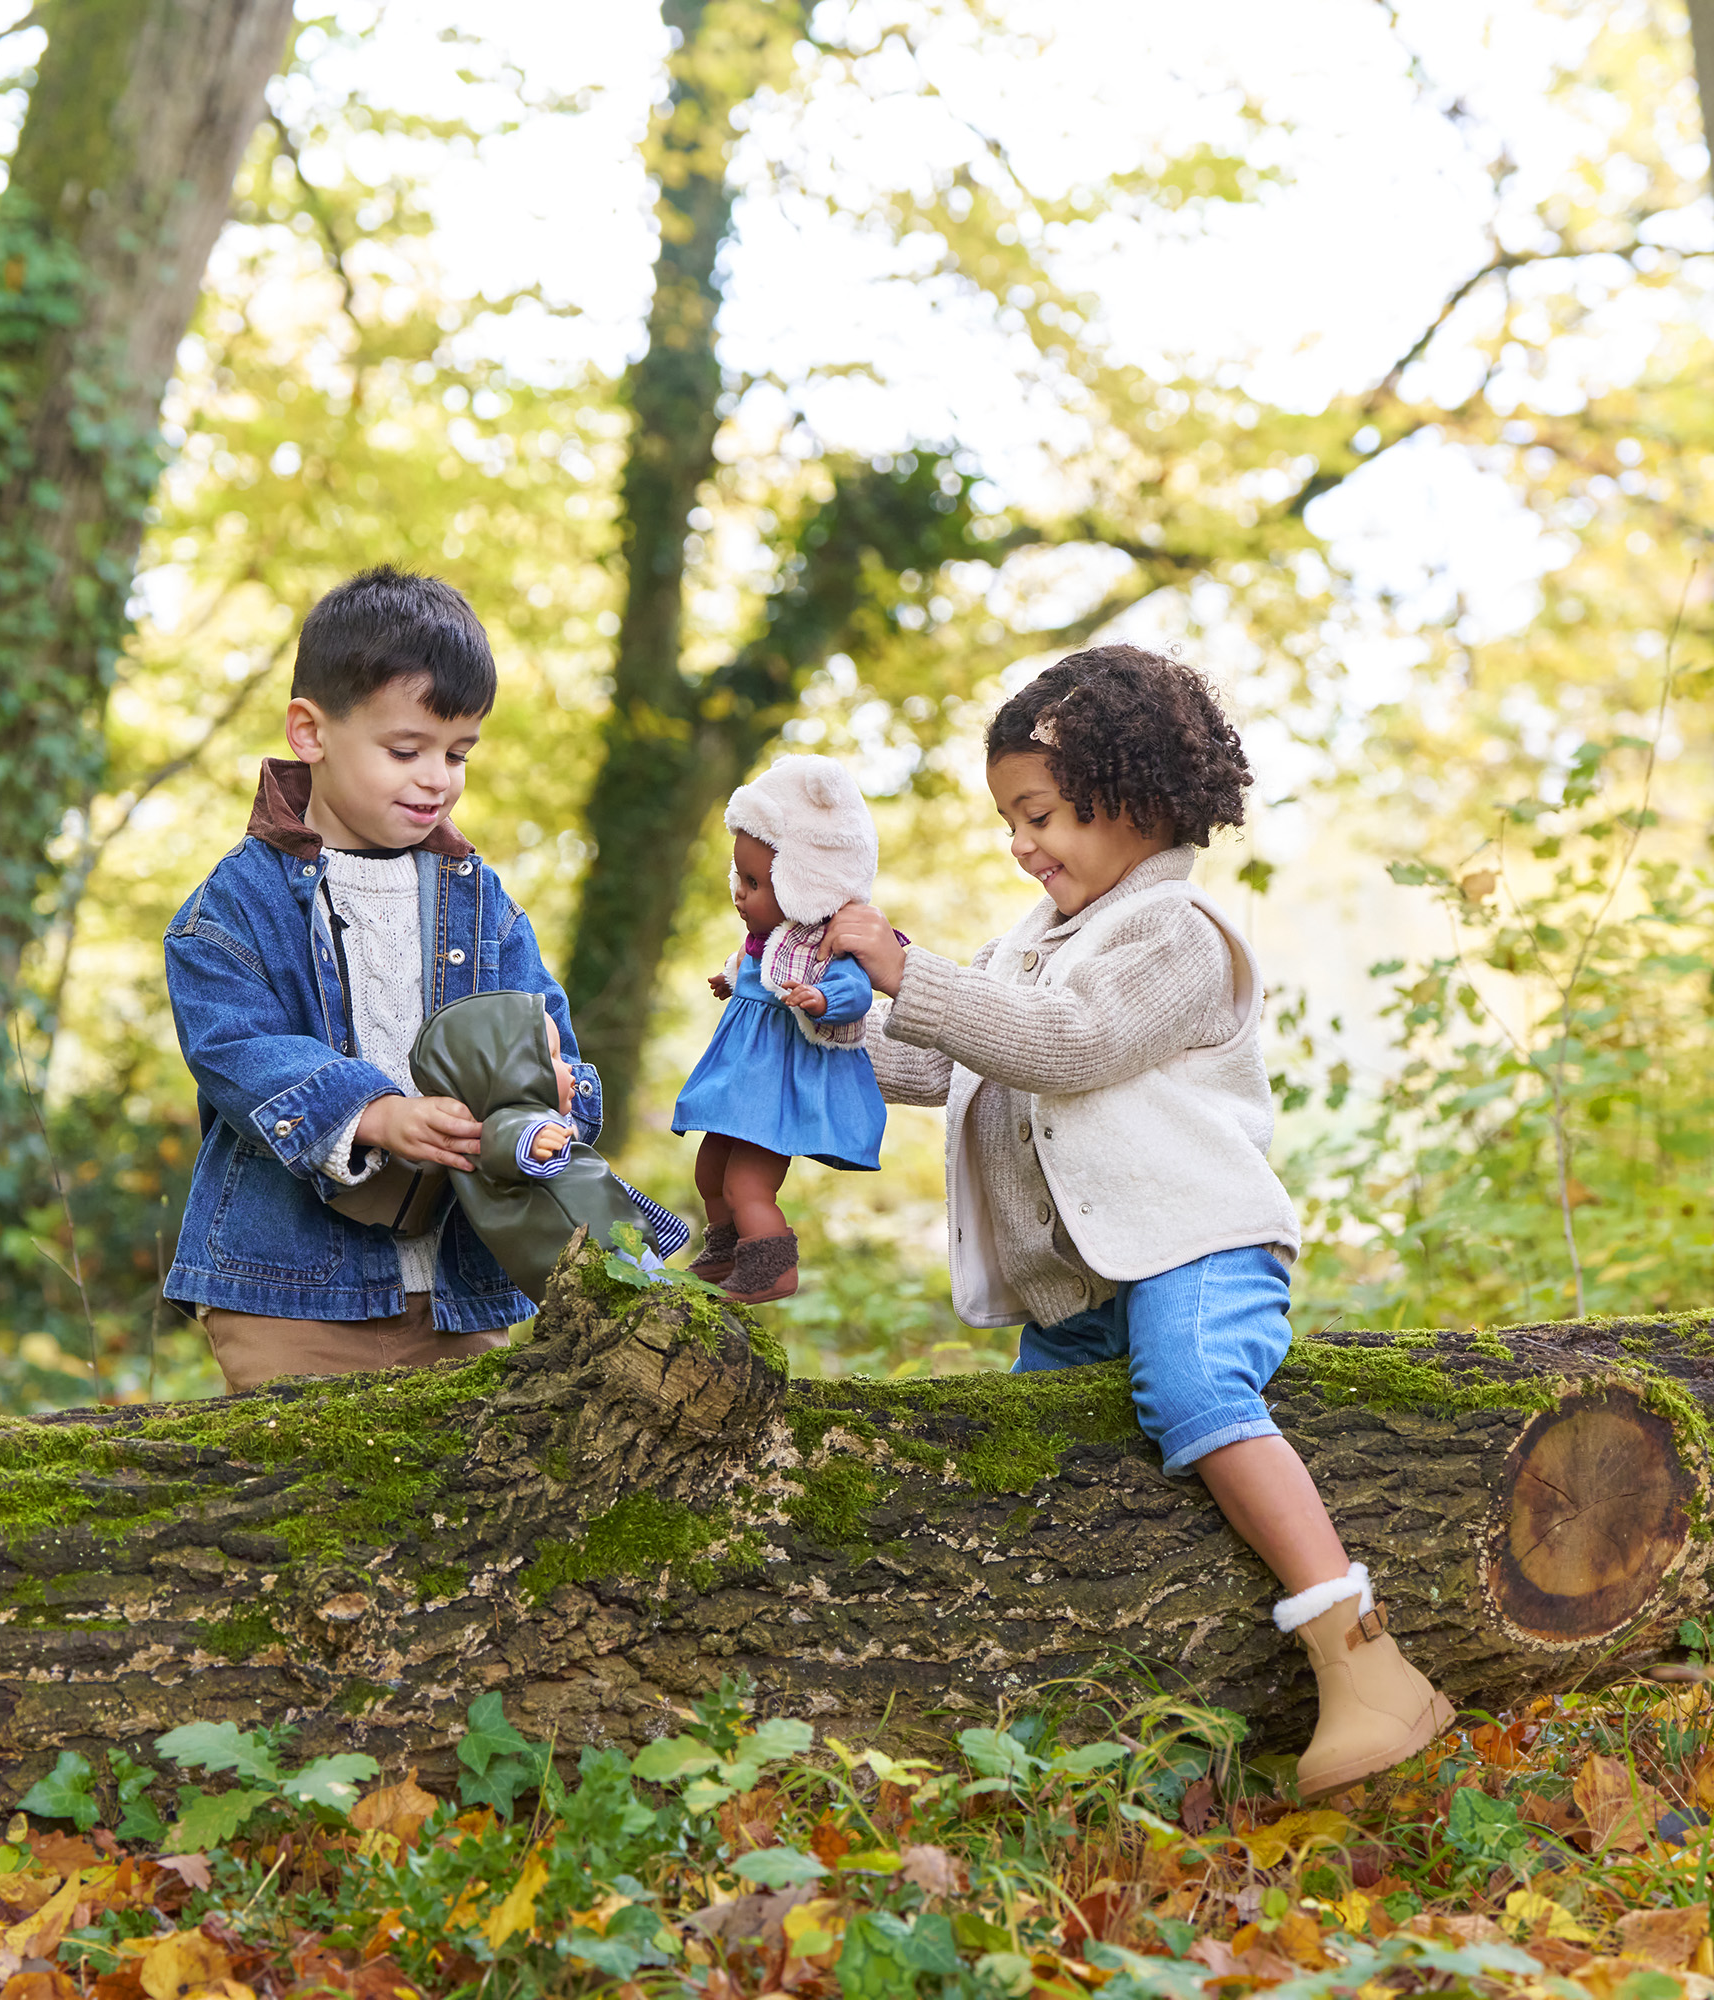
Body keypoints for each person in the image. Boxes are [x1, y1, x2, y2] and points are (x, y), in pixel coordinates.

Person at [823, 644, 1453, 1799]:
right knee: (1041, 1458)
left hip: (1196, 1244)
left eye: (1042, 812)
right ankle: (1081, 1704)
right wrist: (813, 1025)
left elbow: (1064, 1044)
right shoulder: (1031, 943)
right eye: (1010, 818)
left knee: (1193, 1391)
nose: (1021, 841)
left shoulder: (1172, 935)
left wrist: (908, 966)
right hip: (1074, 1283)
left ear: (1138, 796)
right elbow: (951, 1061)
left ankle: (1364, 1659)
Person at [162, 565, 602, 1394]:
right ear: (310, 732)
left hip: (458, 1291)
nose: (437, 777)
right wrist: (374, 1113)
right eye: (406, 750)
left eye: (458, 752)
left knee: (456, 1498)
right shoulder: (237, 904)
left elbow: (555, 1050)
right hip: (288, 1292)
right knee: (303, 1494)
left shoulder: (483, 902)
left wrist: (555, 1092)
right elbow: (235, 1047)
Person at [671, 755, 889, 1304]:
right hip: (741, 1084)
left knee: (748, 1181)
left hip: (776, 1096)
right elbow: (755, 971)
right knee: (710, 1169)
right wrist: (730, 980)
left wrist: (822, 1000)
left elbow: (857, 990)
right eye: (737, 877)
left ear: (804, 885)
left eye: (755, 882)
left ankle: (772, 1265)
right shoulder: (764, 943)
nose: (740, 894)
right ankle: (727, 1250)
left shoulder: (821, 943)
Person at [409, 993, 688, 1304]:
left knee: (661, 1300)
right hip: (596, 1251)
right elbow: (505, 1140)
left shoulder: (531, 1115)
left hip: (609, 1241)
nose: (569, 1068)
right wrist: (533, 1139)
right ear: (511, 1072)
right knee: (652, 1304)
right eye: (553, 1057)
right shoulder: (505, 1122)